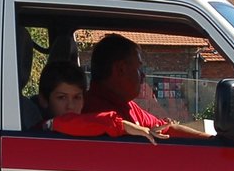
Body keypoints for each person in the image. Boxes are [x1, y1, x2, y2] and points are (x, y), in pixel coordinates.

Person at [84, 34, 211, 139]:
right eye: (139, 68)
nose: (143, 76)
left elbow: (165, 129)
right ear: (121, 69)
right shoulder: (91, 112)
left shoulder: (127, 106)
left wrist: (209, 140)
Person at [36, 61, 167, 143]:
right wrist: (124, 126)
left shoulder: (86, 125)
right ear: (43, 100)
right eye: (61, 97)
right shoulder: (45, 128)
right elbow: (70, 122)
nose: (70, 105)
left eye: (77, 97)